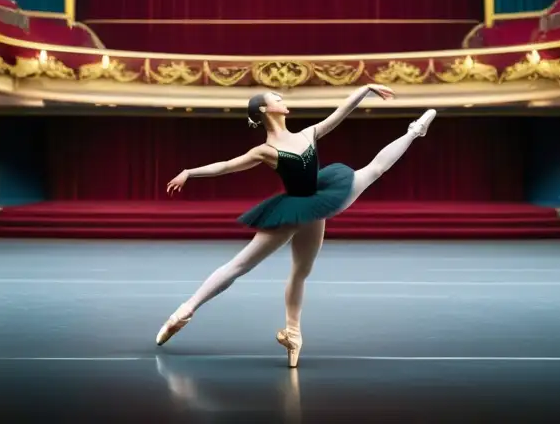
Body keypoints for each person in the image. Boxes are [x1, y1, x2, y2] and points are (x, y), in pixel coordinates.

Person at [155, 85, 436, 367]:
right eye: (275, 98)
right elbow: (227, 166)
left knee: (301, 271)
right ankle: (184, 311)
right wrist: (189, 172)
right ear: (265, 110)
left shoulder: (307, 134)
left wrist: (365, 89)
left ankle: (293, 333)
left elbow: (341, 113)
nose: (282, 99)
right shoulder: (264, 150)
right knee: (240, 265)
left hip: (321, 198)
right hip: (293, 209)